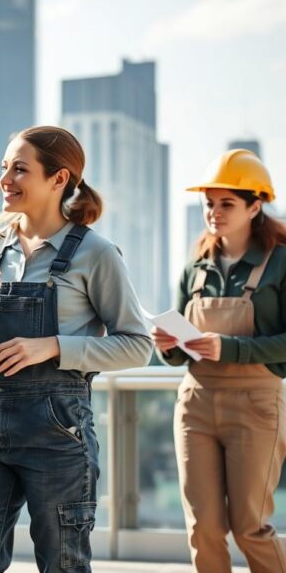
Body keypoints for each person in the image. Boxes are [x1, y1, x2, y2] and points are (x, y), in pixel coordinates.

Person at [0, 125, 152, 572]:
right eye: (4, 168)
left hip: (57, 436)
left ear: (59, 179)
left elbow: (137, 346)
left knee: (63, 565)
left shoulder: (96, 253)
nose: (5, 179)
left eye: (20, 169)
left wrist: (53, 347)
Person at [155, 149, 286, 572]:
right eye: (209, 203)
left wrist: (230, 348)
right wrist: (168, 345)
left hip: (257, 405)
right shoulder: (195, 267)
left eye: (227, 203)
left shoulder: (281, 264)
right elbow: (178, 356)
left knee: (249, 527)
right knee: (204, 530)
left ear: (255, 206)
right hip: (195, 405)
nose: (214, 212)